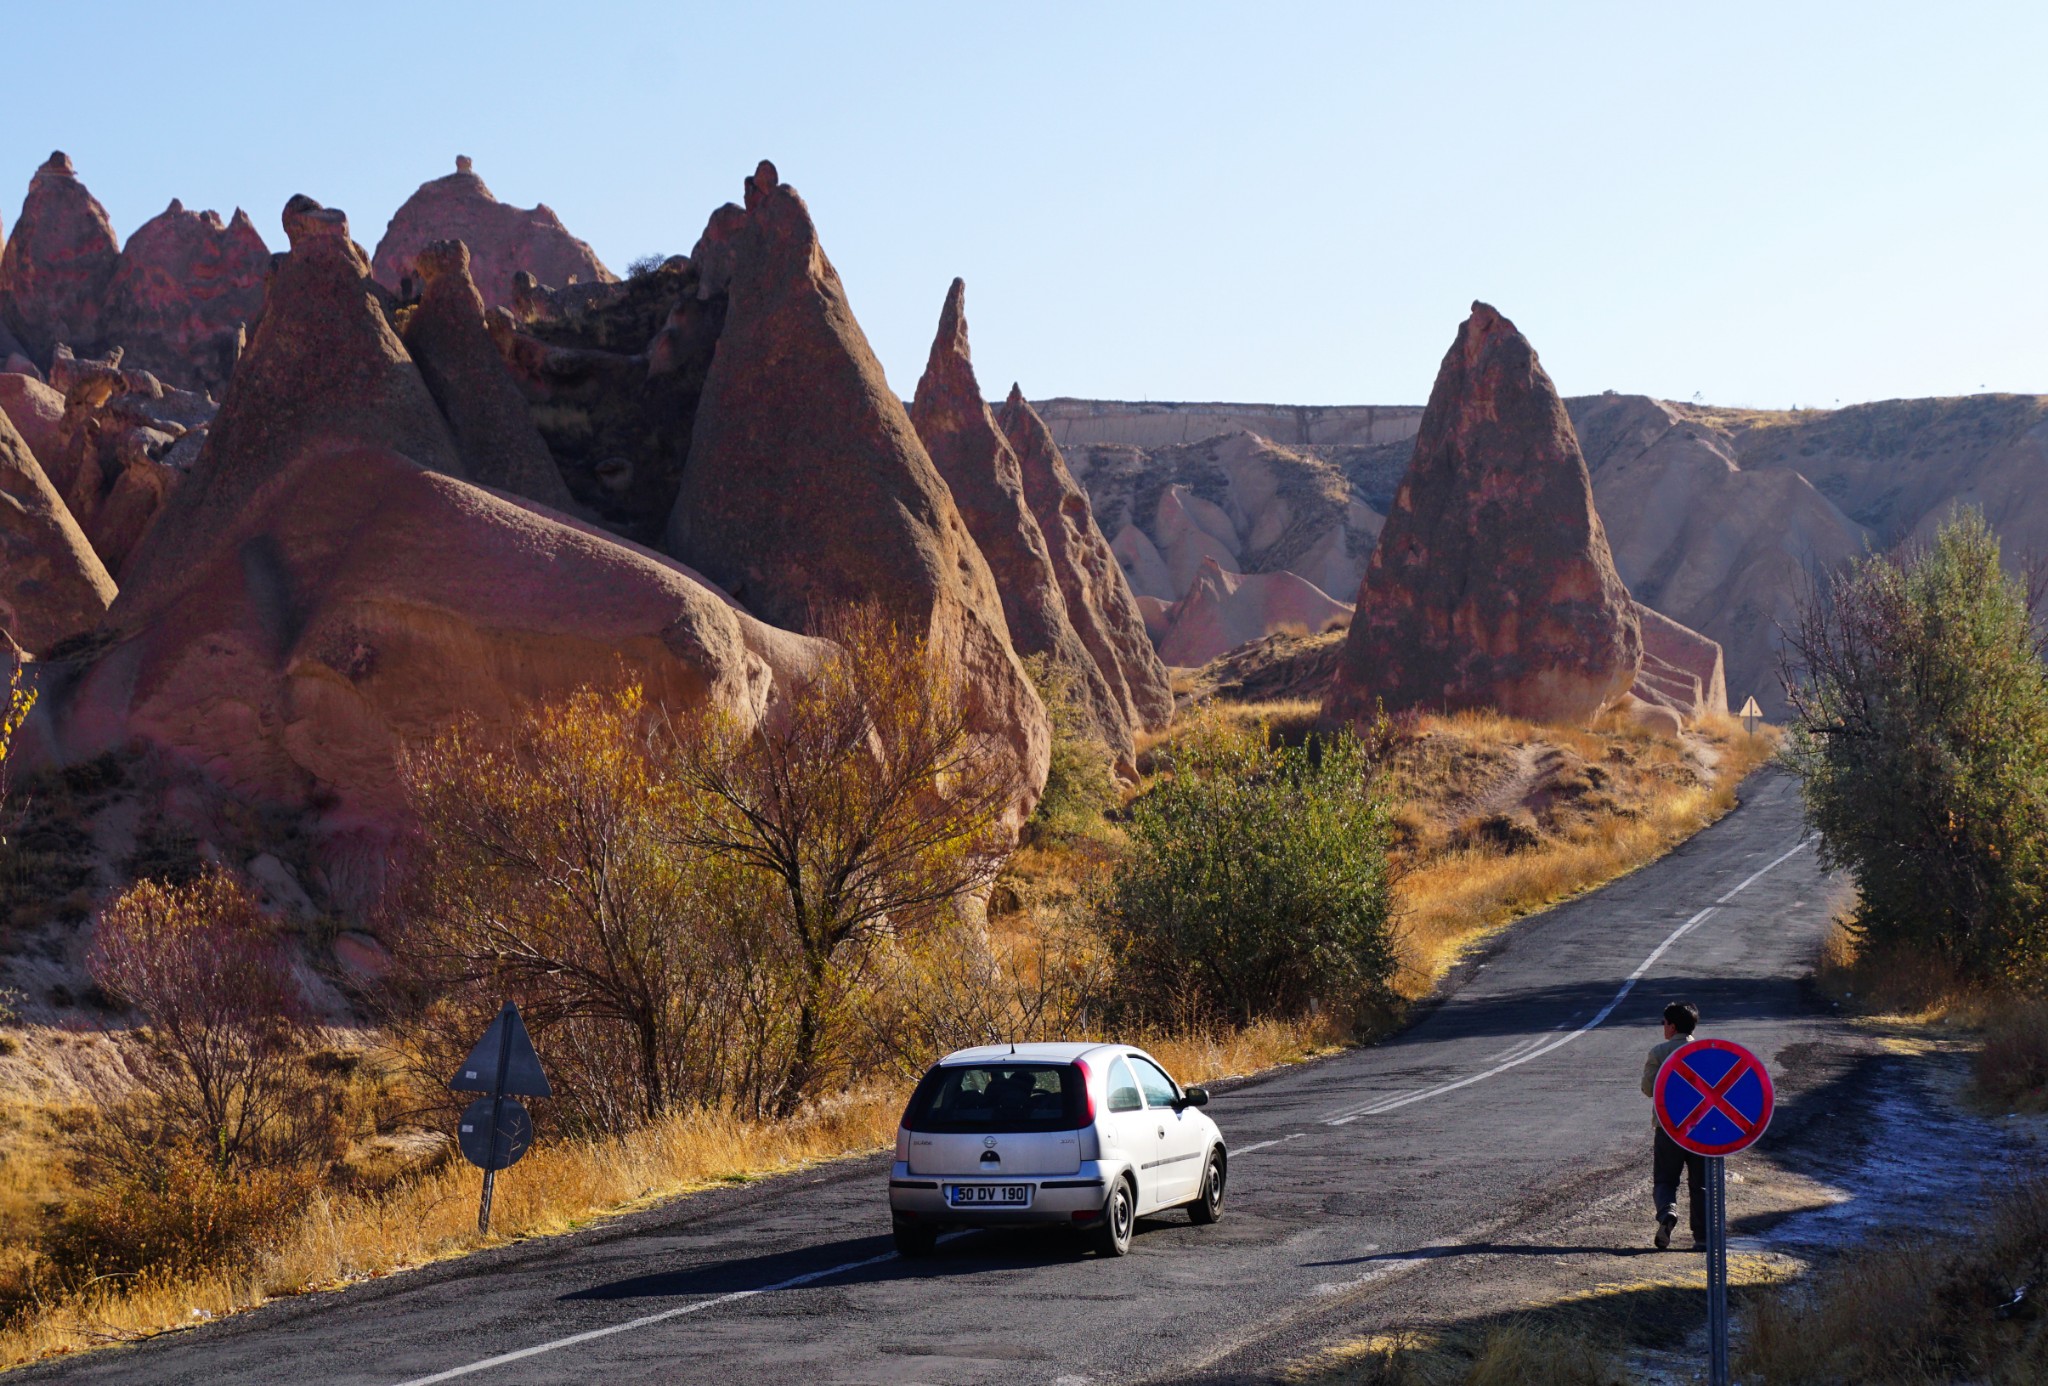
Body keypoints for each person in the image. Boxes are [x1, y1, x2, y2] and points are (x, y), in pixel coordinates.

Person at [1642, 1000, 1706, 1250]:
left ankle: (1667, 1212)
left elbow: (1648, 1090)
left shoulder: (1659, 1052)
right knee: (1700, 1184)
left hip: (1668, 1127)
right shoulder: (1705, 1052)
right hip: (1702, 1128)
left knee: (1665, 1180)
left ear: (1672, 1026)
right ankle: (1702, 1238)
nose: (1663, 1027)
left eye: (1664, 1023)